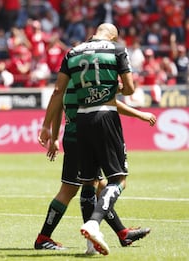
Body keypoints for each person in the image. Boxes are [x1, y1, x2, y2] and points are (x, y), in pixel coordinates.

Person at [42, 23, 137, 256]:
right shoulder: (116, 50)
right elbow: (131, 89)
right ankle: (94, 223)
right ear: (113, 36)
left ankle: (95, 243)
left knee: (89, 181)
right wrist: (114, 88)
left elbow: (58, 92)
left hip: (80, 120)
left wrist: (47, 128)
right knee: (118, 180)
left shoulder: (72, 52)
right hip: (105, 115)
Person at [35, 78, 154, 253]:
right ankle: (48, 238)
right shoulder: (86, 81)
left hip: (72, 135)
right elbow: (108, 103)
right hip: (85, 136)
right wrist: (140, 114)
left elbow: (59, 104)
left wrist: (55, 137)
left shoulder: (69, 79)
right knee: (79, 187)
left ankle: (122, 233)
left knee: (100, 187)